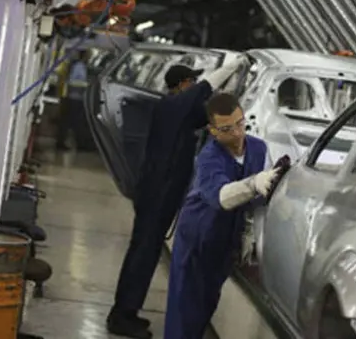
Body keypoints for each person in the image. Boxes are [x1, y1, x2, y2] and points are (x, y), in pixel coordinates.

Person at [107, 57, 248, 339]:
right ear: (183, 85)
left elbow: (207, 111)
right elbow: (205, 88)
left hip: (160, 194)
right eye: (191, 82)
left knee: (144, 252)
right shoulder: (172, 105)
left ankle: (127, 311)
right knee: (143, 253)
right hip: (157, 193)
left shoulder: (179, 112)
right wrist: (231, 66)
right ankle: (122, 316)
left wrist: (232, 88)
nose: (195, 86)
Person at [164, 92, 283, 339]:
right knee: (184, 314)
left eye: (240, 123)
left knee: (205, 308)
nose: (237, 133)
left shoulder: (259, 148)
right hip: (196, 243)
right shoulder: (209, 157)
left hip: (223, 244)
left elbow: (258, 198)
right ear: (213, 131)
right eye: (227, 128)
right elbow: (222, 197)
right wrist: (253, 184)